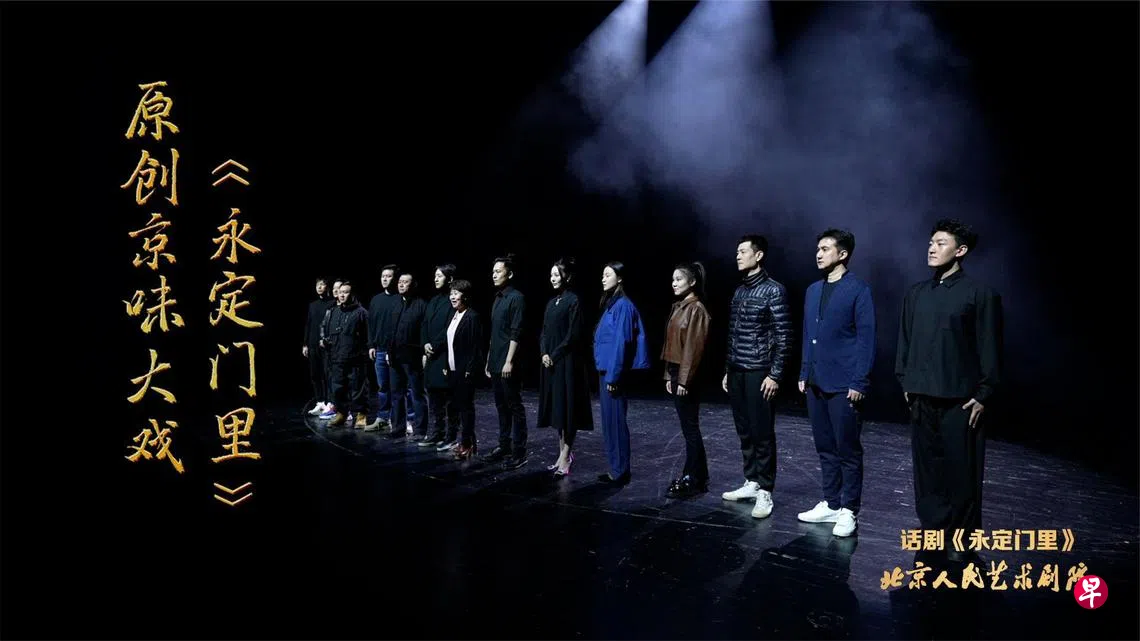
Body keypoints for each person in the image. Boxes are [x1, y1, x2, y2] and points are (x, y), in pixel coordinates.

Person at [896, 219, 1002, 562]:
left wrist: (984, 393)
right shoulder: (916, 293)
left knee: (962, 470)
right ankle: (933, 529)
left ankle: (962, 536)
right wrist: (906, 381)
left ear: (961, 250)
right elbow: (905, 341)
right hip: (921, 394)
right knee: (926, 470)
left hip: (961, 399)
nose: (932, 248)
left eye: (941, 243)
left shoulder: (979, 294)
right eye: (931, 242)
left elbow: (990, 347)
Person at [796, 229, 876, 538]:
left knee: (848, 450)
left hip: (844, 383)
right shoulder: (813, 290)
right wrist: (804, 372)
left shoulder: (858, 290)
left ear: (842, 254)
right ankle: (831, 503)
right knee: (825, 446)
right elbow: (808, 334)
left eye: (826, 249)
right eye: (817, 248)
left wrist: (860, 380)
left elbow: (867, 339)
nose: (818, 254)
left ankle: (849, 510)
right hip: (816, 381)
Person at [721, 234, 793, 519]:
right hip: (737, 370)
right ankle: (751, 481)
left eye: (743, 251)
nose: (738, 256)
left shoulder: (774, 290)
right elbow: (733, 335)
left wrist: (775, 374)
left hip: (759, 371)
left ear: (759, 255)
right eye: (737, 251)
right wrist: (728, 369)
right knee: (744, 430)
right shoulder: (739, 291)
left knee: (762, 432)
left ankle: (765, 490)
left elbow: (784, 335)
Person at [593, 261, 650, 486]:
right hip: (606, 371)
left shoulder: (623, 306)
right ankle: (616, 468)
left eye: (608, 275)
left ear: (619, 278)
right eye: (602, 275)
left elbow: (621, 343)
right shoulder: (612, 304)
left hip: (613, 374)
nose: (603, 278)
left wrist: (613, 376)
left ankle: (620, 472)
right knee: (609, 423)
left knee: (615, 423)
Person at [537, 257, 594, 477]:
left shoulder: (573, 301)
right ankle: (562, 453)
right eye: (551, 275)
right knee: (557, 409)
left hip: (567, 363)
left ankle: (566, 454)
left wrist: (554, 354)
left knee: (568, 409)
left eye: (556, 275)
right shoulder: (551, 303)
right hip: (550, 362)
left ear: (567, 277)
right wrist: (544, 352)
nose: (552, 279)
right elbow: (543, 331)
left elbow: (573, 335)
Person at [662, 262, 712, 498]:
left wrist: (683, 380)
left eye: (679, 279)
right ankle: (698, 476)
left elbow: (693, 348)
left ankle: (692, 477)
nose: (674, 283)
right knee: (688, 427)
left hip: (687, 374)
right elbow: (670, 344)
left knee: (690, 428)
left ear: (692, 282)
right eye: (673, 279)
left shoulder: (696, 309)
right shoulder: (679, 307)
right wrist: (668, 374)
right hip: (676, 371)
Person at [484, 254, 528, 470]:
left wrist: (508, 361)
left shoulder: (516, 298)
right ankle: (504, 445)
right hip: (495, 360)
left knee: (514, 406)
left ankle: (519, 451)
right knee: (501, 406)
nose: (494, 275)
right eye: (493, 271)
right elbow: (495, 333)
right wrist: (489, 359)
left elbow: (516, 331)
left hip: (508, 362)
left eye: (498, 271)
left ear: (509, 274)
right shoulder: (498, 298)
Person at [439, 279, 483, 460]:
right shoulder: (454, 315)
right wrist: (446, 365)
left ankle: (467, 443)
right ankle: (461, 441)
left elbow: (475, 346)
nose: (452, 297)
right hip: (452, 369)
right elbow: (449, 343)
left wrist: (470, 369)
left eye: (456, 293)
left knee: (466, 408)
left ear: (465, 296)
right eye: (451, 293)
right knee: (454, 407)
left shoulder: (472, 317)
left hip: (465, 370)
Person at [368, 264, 415, 432]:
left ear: (395, 278)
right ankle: (383, 417)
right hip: (380, 350)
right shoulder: (376, 300)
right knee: (383, 386)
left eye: (388, 276)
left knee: (404, 387)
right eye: (383, 276)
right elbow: (371, 325)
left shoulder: (400, 299)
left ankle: (409, 419)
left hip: (397, 351)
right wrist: (371, 345)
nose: (385, 279)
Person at [320, 281, 370, 428]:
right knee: (338, 388)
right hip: (337, 357)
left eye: (346, 292)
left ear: (352, 294)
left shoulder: (361, 312)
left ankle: (361, 414)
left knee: (358, 388)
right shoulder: (333, 312)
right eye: (341, 292)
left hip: (356, 357)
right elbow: (327, 330)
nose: (342, 295)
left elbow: (368, 335)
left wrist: (366, 351)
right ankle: (341, 413)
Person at [422, 264, 461, 448]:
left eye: (440, 276)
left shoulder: (452, 301)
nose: (435, 279)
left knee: (448, 399)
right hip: (431, 355)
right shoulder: (433, 300)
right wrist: (425, 343)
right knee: (434, 397)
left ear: (450, 279)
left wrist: (435, 345)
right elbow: (424, 324)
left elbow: (450, 328)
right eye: (435, 276)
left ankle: (451, 435)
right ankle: (436, 432)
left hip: (445, 354)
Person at [386, 271, 429, 439]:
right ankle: (398, 428)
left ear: (413, 285)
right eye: (400, 282)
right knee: (396, 394)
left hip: (413, 356)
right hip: (395, 355)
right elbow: (390, 330)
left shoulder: (421, 305)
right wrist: (388, 351)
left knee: (417, 393)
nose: (401, 284)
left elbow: (424, 330)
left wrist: (424, 353)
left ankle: (420, 430)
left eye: (405, 282)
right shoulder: (395, 303)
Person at [303, 278, 334, 416]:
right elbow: (308, 324)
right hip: (313, 343)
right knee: (315, 374)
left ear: (327, 287)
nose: (319, 287)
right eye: (317, 285)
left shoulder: (332, 303)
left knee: (327, 374)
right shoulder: (313, 305)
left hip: (326, 345)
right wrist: (305, 344)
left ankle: (329, 402)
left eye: (322, 284)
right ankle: (320, 402)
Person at [318, 279, 344, 421]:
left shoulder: (347, 308)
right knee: (330, 377)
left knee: (342, 380)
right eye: (334, 288)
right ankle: (333, 406)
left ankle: (344, 409)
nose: (335, 290)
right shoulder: (331, 308)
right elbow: (323, 325)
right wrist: (323, 339)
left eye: (338, 288)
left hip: (343, 350)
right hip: (330, 349)